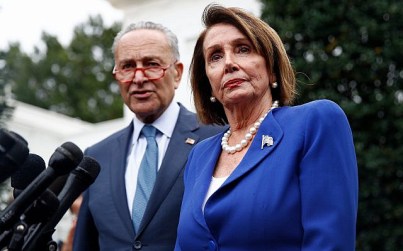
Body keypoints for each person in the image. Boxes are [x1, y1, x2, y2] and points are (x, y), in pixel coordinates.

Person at [174, 4, 358, 251]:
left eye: (243, 49)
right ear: (208, 82)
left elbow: (329, 243)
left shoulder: (314, 122)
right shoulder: (199, 155)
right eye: (215, 56)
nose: (229, 63)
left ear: (271, 69)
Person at [73, 21, 225, 251]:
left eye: (152, 64)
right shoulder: (96, 157)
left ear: (177, 73)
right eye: (127, 66)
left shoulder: (216, 139)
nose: (139, 77)